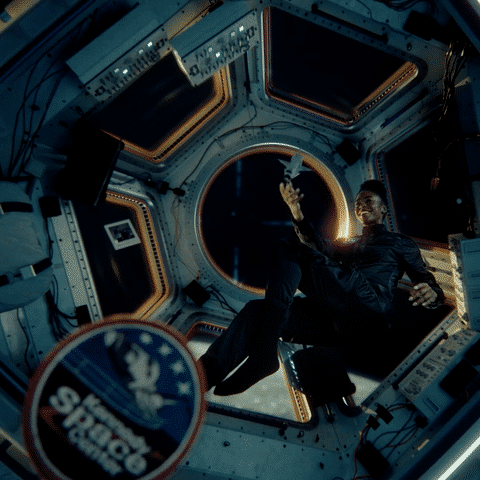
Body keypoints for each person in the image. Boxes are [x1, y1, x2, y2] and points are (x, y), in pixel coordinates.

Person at [198, 179, 445, 397]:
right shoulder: (348, 243)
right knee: (255, 312)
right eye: (358, 203)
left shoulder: (400, 243)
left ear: (383, 208)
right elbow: (316, 245)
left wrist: (433, 294)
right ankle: (200, 377)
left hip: (369, 308)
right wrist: (296, 212)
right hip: (335, 325)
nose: (361, 206)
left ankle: (264, 353)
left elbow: (428, 282)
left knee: (290, 247)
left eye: (368, 200)